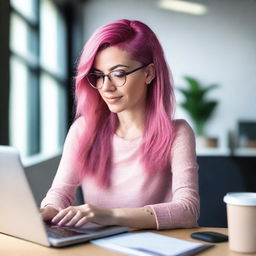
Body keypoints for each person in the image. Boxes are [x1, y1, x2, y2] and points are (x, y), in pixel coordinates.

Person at [40, 19, 199, 230]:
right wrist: (47, 211)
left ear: (149, 73)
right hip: (98, 246)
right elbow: (60, 193)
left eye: (118, 74)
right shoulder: (83, 129)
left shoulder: (178, 132)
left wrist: (111, 216)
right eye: (98, 75)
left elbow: (188, 210)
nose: (105, 87)